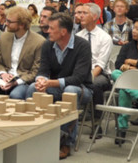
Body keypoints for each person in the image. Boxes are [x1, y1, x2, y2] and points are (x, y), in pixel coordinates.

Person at [26, 13, 92, 160]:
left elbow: (78, 78)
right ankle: (33, 135)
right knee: (32, 88)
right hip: (56, 85)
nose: (47, 30)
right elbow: (43, 70)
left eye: (51, 28)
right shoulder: (47, 44)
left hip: (82, 88)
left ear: (63, 32)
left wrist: (50, 83)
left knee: (70, 92)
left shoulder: (82, 46)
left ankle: (65, 142)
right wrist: (41, 81)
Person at [0, 6, 45, 100]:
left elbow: (35, 71)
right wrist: (3, 74)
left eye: (10, 22)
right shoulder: (4, 37)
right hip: (3, 78)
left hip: (23, 81)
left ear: (22, 24)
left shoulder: (39, 42)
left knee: (15, 95)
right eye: (6, 20)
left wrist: (15, 82)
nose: (6, 24)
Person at [110, 18, 138, 142]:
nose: (133, 31)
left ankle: (122, 129)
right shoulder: (128, 46)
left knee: (124, 89)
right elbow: (119, 63)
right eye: (133, 28)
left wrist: (130, 63)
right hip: (131, 83)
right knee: (115, 73)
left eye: (137, 29)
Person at [75, 3, 112, 110]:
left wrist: (85, 78)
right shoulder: (78, 36)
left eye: (85, 13)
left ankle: (96, 119)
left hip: (100, 74)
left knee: (95, 83)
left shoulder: (105, 38)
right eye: (80, 13)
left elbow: (100, 66)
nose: (81, 16)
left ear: (94, 16)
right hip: (80, 72)